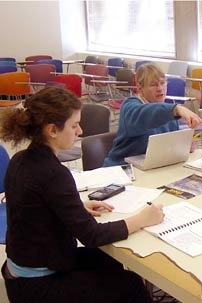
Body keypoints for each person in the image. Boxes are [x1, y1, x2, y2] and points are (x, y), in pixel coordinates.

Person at [0, 87, 164, 303]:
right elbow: (92, 236)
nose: (80, 131)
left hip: (22, 268)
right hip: (37, 286)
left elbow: (33, 209)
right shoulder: (53, 172)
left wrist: (75, 208)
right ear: (52, 130)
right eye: (74, 125)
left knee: (109, 260)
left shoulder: (21, 159)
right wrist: (142, 219)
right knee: (130, 284)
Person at [104, 63, 202, 166]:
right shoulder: (130, 106)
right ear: (140, 88)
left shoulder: (169, 112)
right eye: (153, 85)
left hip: (150, 168)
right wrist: (175, 109)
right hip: (122, 168)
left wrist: (182, 147)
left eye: (162, 83)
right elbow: (146, 115)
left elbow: (164, 148)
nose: (160, 88)